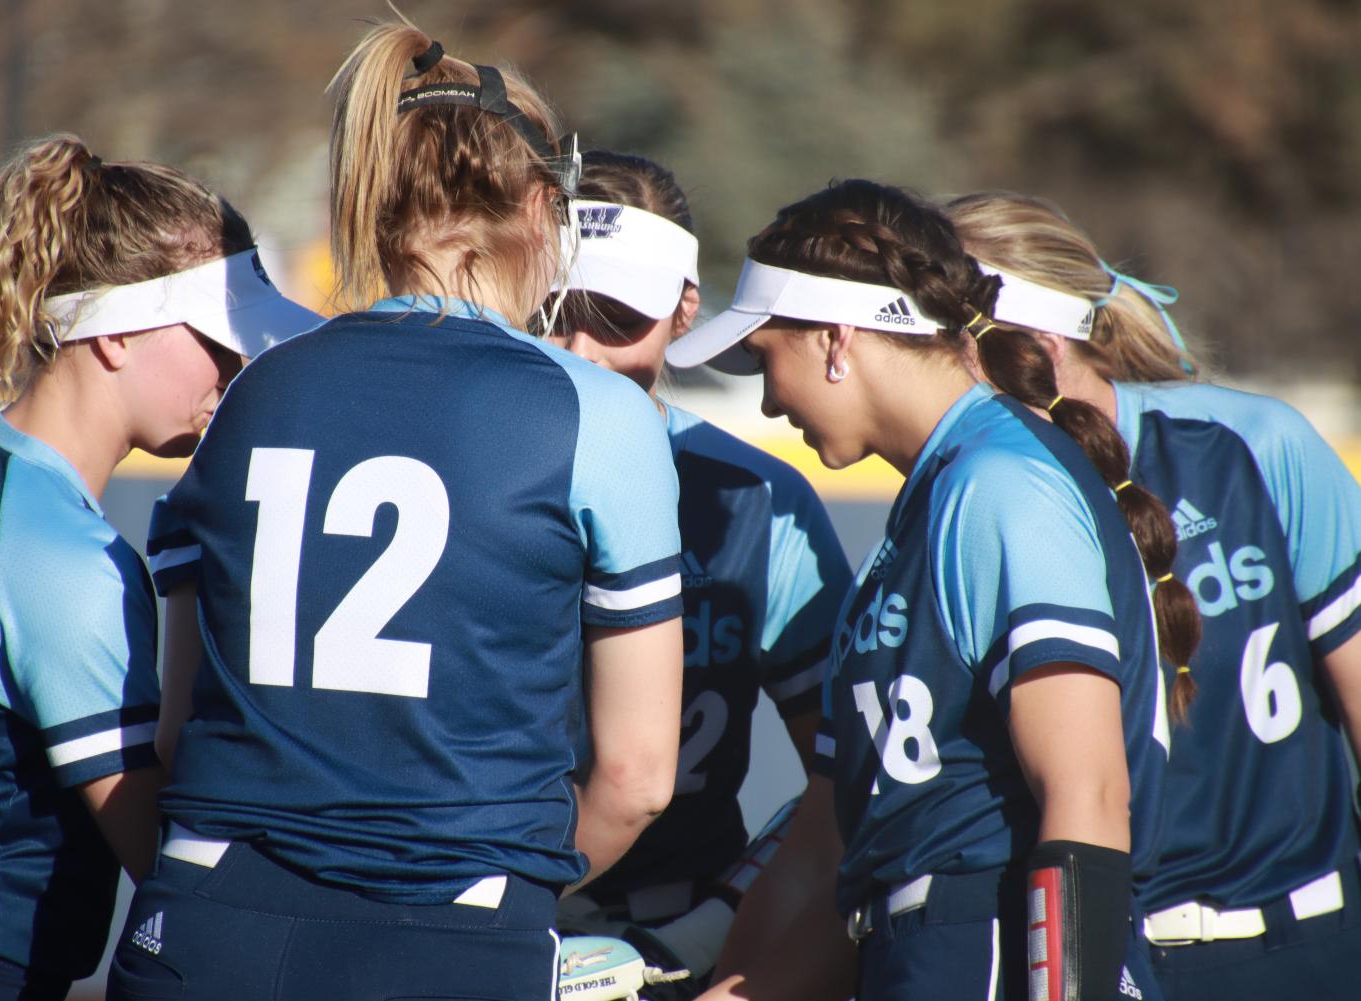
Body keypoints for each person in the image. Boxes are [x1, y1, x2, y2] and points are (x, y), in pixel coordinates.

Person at [110, 23, 685, 1001]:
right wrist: (508, 888)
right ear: (542, 206)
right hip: (450, 930)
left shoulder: (254, 391)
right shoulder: (598, 413)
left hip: (206, 918)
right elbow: (635, 778)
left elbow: (178, 729)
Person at [668, 179, 1198, 1001]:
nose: (767, 399)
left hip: (993, 947)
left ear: (837, 338)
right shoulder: (935, 499)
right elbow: (835, 851)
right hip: (919, 951)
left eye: (765, 358)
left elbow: (1086, 792)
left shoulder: (998, 482)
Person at [0, 134, 320, 1001]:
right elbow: (153, 845)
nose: (238, 371)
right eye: (220, 344)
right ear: (114, 336)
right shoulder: (61, 555)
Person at [944, 190, 1361, 1001]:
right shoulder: (975, 492)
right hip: (1110, 962)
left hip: (1314, 943)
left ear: (1025, 337)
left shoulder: (1253, 444)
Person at [545, 151, 854, 986]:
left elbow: (849, 784)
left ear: (684, 309)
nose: (578, 349)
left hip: (683, 945)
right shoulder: (460, 469)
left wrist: (698, 939)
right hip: (481, 938)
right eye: (549, 311)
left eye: (613, 317)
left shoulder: (756, 499)